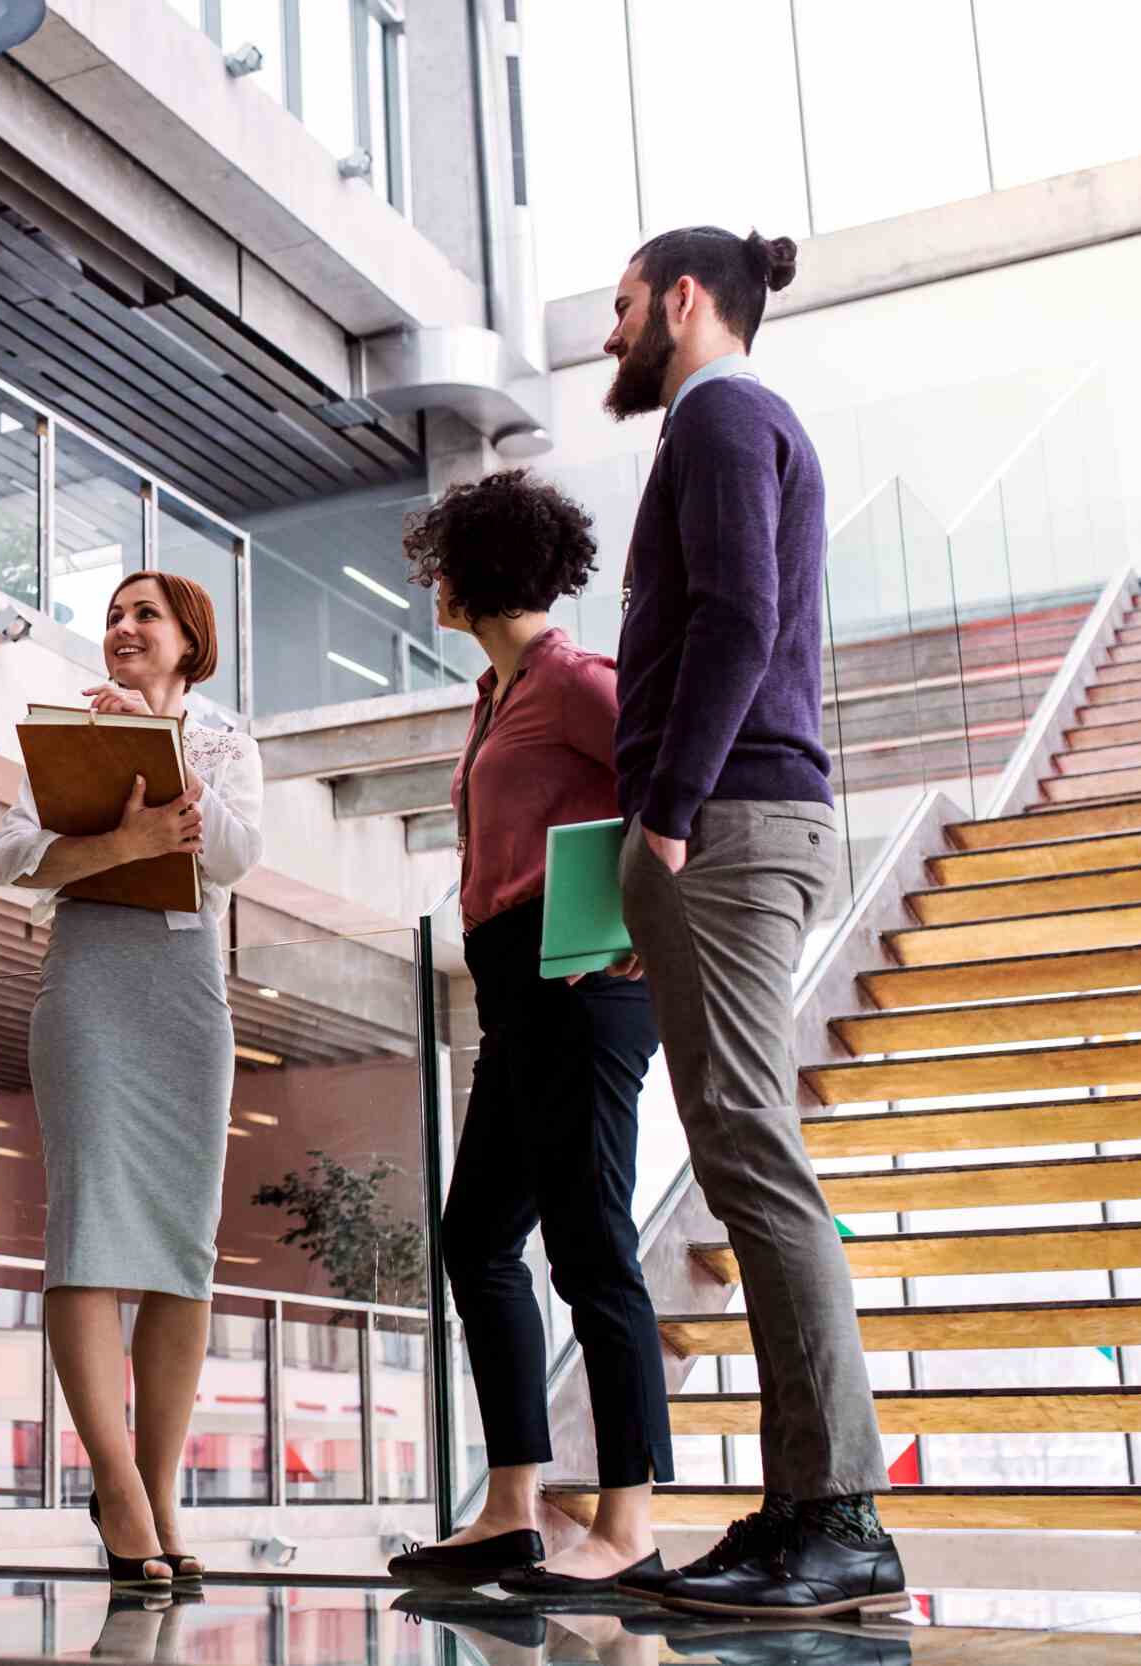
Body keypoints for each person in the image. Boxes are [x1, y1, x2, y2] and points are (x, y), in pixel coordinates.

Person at [601, 228, 906, 1618]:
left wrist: (665, 810)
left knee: (750, 1149)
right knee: (742, 1146)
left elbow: (737, 615)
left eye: (621, 308)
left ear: (682, 301)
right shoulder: (730, 425)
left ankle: (835, 1513)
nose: (612, 335)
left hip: (726, 821)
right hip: (733, 817)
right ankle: (805, 1511)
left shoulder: (724, 416)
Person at [380, 471, 669, 1596]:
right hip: (512, 981)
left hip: (582, 977)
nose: (431, 585)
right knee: (478, 1237)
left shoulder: (576, 680)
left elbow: (679, 780)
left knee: (591, 1241)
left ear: (476, 571)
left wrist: (643, 922)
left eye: (439, 564)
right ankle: (509, 1509)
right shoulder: (496, 695)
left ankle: (628, 1519)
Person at [0, 570, 264, 1592]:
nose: (121, 629)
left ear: (190, 638)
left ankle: (158, 1488)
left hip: (187, 994)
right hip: (92, 989)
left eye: (143, 614)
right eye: (111, 616)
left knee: (184, 1248)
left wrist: (162, 737)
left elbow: (233, 855)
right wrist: (122, 841)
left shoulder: (227, 740)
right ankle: (116, 1489)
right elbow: (10, 855)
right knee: (91, 1228)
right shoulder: (69, 732)